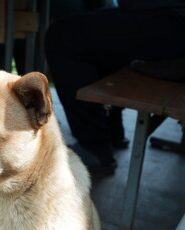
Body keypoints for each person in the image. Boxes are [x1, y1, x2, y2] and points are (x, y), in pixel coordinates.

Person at [45, 0, 185, 171]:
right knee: (101, 15)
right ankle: (112, 131)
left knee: (62, 36)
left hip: (175, 21)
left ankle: (93, 145)